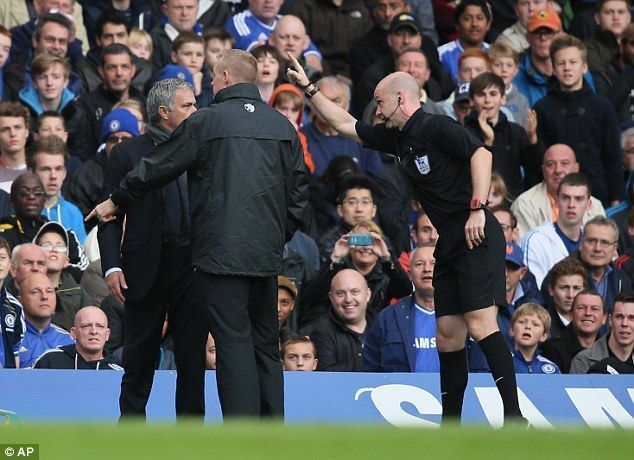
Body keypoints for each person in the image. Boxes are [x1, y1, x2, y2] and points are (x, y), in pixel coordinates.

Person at [286, 54, 523, 423]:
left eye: (379, 103)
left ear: (400, 98)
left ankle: (514, 416)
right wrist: (309, 88)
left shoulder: (434, 125)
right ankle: (452, 423)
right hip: (450, 239)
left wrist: (478, 207)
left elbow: (480, 153)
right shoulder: (400, 140)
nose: (376, 113)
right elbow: (346, 124)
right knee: (448, 334)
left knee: (479, 322)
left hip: (476, 230)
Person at [88, 49, 308, 419]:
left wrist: (116, 200)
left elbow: (157, 168)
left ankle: (242, 437)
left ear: (224, 76)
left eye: (211, 75)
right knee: (266, 345)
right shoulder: (283, 126)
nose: (208, 81)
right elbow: (300, 199)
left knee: (233, 341)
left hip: (218, 258)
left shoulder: (206, 122)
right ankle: (272, 436)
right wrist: (273, 236)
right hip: (265, 257)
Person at [98, 78, 205, 419]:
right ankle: (130, 436)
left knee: (192, 360)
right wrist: (112, 266)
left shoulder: (204, 149)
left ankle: (190, 440)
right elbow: (109, 215)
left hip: (193, 267)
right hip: (145, 268)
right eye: (187, 105)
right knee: (138, 359)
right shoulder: (128, 153)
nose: (195, 111)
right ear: (164, 112)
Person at [534, 34, 623, 207]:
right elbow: (538, 160)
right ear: (553, 68)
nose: (567, 68)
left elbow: (613, 156)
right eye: (561, 63)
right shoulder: (541, 108)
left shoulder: (602, 106)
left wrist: (616, 197)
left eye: (573, 62)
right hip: (554, 198)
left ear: (584, 66)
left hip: (597, 195)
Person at [463, 71, 541, 198]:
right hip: (478, 205)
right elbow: (468, 175)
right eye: (481, 95)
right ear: (471, 100)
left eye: (493, 94)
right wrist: (488, 143)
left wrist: (533, 139)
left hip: (512, 204)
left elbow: (535, 171)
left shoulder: (515, 131)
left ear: (503, 99)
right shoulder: (463, 134)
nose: (487, 100)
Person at [363, 243, 439, 372]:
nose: (427, 269)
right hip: (402, 391)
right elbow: (369, 369)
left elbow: (479, 369)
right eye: (419, 264)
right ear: (409, 274)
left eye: (433, 263)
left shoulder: (462, 317)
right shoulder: (387, 318)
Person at [511, 144, 606, 237]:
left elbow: (607, 249)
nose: (558, 170)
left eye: (564, 163)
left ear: (576, 168)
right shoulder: (524, 205)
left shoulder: (594, 205)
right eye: (551, 164)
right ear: (543, 170)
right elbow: (525, 249)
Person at [520, 173, 592, 286]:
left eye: (579, 199)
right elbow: (533, 291)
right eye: (565, 198)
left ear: (588, 204)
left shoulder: (593, 242)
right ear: (557, 201)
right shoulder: (536, 239)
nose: (571, 205)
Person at [27, 135, 86, 243]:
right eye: (45, 169)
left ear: (64, 173)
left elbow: (82, 256)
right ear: (31, 173)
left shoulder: (73, 213)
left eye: (58, 169)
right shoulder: (20, 212)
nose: (53, 176)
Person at [309, 269, 370, 371]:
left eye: (355, 292)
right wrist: (369, 360)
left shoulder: (382, 326)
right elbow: (326, 375)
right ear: (331, 298)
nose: (348, 299)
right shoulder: (322, 331)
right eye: (340, 293)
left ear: (367, 294)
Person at [33, 306, 123, 370]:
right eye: (86, 326)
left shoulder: (117, 373)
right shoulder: (50, 360)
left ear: (107, 334)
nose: (94, 331)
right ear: (74, 333)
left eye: (100, 326)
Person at [541, 289, 606, 373]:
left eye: (595, 309)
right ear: (571, 315)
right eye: (581, 308)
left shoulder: (609, 350)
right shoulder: (552, 350)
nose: (588, 313)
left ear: (604, 318)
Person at [18, 272, 74, 368]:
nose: (44, 297)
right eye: (35, 292)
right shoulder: (7, 339)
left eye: (49, 291)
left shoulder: (69, 341)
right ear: (20, 301)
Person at [570, 291, 634, 373]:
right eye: (619, 317)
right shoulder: (584, 361)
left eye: (632, 318)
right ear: (610, 320)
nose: (624, 323)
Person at [437, 0, 491, 84]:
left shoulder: (495, 54)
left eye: (479, 18)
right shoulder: (441, 55)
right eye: (467, 18)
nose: (474, 24)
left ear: (488, 24)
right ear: (457, 25)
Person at [509, 302, 560, 374]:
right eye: (522, 322)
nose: (528, 326)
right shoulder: (500, 363)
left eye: (535, 324)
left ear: (544, 336)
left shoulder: (552, 369)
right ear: (512, 330)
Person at [543, 257, 587, 338]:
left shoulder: (591, 322)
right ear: (551, 290)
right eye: (563, 288)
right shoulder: (540, 324)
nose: (570, 295)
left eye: (576, 288)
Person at [0, 237, 24, 368]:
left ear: (9, 264)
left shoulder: (15, 307)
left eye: (2, 258)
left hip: (5, 384)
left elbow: (15, 352)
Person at [0, 102, 29, 193]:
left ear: (26, 132)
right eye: (5, 129)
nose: (13, 134)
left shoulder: (41, 169)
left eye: (17, 127)